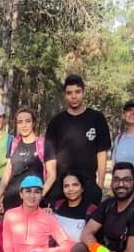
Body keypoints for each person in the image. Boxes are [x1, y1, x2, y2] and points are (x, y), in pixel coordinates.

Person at [46, 75, 111, 205]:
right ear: (65, 95)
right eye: (69, 93)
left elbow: (102, 153)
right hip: (62, 186)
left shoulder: (97, 118)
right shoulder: (56, 122)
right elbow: (50, 158)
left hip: (88, 185)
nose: (74, 96)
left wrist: (100, 185)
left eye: (77, 92)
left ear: (83, 92)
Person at [2, 176, 73, 252]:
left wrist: (43, 251)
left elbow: (68, 246)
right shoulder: (10, 215)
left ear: (41, 195)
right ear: (21, 194)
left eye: (37, 192)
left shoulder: (48, 218)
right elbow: (8, 249)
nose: (32, 196)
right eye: (28, 191)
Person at [0, 107, 55, 213]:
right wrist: (0, 195)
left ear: (34, 123)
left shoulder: (45, 144)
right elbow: (7, 172)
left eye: (28, 121)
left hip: (35, 202)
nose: (24, 125)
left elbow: (52, 175)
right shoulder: (14, 144)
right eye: (20, 122)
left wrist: (39, 196)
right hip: (12, 201)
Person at [51, 172, 98, 252]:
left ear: (82, 188)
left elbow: (94, 242)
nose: (70, 189)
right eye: (66, 186)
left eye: (75, 185)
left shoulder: (91, 210)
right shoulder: (56, 206)